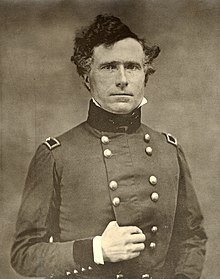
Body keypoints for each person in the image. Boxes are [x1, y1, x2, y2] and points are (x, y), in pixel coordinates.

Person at [11, 14, 207, 279]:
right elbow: (24, 254)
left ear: (144, 75)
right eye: (109, 67)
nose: (123, 79)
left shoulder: (168, 149)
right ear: (85, 76)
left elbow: (192, 238)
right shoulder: (57, 155)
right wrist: (96, 250)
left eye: (133, 67)